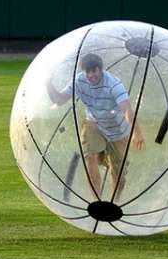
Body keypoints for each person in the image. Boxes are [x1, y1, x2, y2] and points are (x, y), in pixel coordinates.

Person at [46, 53, 145, 201]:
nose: (91, 75)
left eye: (94, 71)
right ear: (84, 71)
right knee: (89, 156)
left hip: (117, 130)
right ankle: (96, 201)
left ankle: (114, 203)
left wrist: (137, 133)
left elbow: (127, 110)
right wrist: (47, 83)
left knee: (118, 173)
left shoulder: (113, 84)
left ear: (101, 69)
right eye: (88, 71)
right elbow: (59, 100)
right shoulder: (79, 81)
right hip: (94, 123)